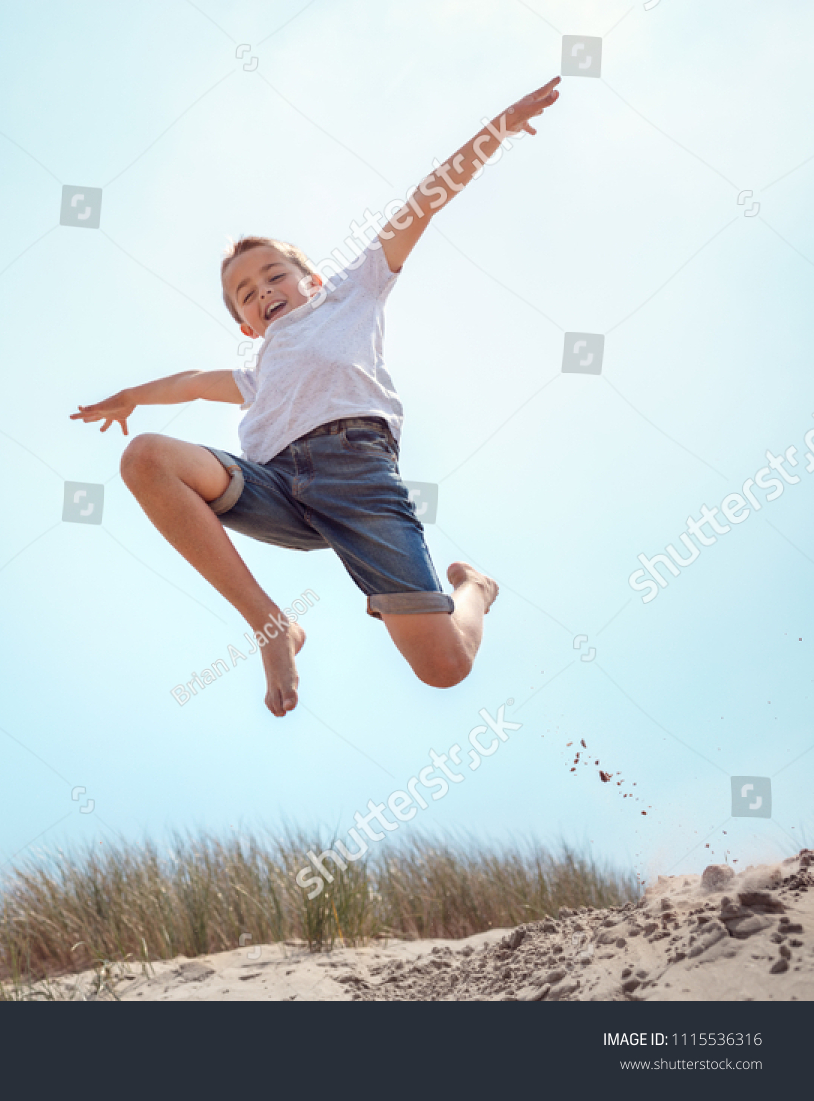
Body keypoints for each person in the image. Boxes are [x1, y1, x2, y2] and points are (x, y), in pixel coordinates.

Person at [71, 79, 562, 716]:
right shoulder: (255, 375)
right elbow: (191, 382)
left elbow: (421, 206)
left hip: (359, 478)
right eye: (246, 293)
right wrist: (128, 397)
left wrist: (496, 131)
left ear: (313, 279)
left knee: (444, 669)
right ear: (246, 325)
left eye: (275, 274)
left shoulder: (354, 294)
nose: (263, 289)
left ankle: (476, 588)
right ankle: (272, 625)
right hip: (277, 490)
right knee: (145, 458)